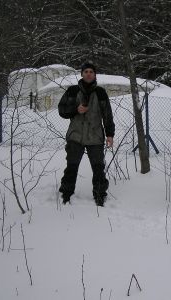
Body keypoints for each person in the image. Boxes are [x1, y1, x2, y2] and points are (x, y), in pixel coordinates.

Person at [59, 62, 115, 206]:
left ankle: (100, 195)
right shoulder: (72, 91)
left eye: (91, 71)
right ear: (82, 74)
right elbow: (62, 110)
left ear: (95, 74)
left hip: (95, 137)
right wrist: (75, 110)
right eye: (86, 71)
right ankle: (66, 194)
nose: (88, 74)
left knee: (98, 168)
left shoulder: (100, 93)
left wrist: (110, 134)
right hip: (75, 136)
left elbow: (107, 115)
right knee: (71, 166)